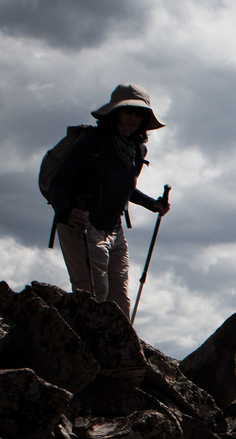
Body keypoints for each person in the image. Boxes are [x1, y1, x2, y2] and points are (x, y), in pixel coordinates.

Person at [47, 84, 170, 319]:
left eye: (139, 113)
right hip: (82, 225)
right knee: (94, 296)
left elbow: (124, 189)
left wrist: (153, 204)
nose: (134, 117)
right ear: (116, 112)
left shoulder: (136, 150)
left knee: (120, 303)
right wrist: (66, 212)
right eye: (128, 111)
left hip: (114, 227)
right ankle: (82, 348)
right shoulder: (91, 141)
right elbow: (58, 184)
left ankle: (115, 352)